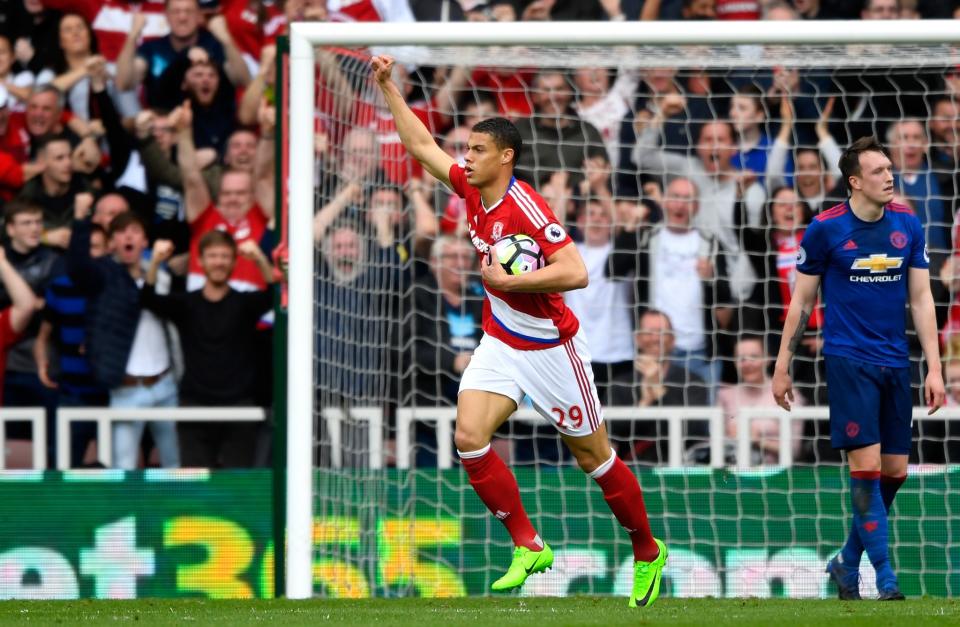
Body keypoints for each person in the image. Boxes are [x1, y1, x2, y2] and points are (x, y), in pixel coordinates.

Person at [372, 53, 668, 608]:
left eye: (478, 149)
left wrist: (508, 283)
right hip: (501, 343)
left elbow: (577, 271)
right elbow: (421, 148)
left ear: (505, 157)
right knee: (468, 439)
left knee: (594, 459)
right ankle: (527, 544)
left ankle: (649, 551)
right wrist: (390, 88)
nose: (466, 156)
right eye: (467, 148)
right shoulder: (471, 190)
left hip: (553, 348)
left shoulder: (526, 204)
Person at [773, 136, 946, 601]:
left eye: (890, 169)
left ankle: (846, 562)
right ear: (854, 181)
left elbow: (922, 298)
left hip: (896, 363)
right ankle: (885, 578)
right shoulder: (826, 229)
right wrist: (781, 366)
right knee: (866, 471)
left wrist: (934, 369)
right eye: (878, 171)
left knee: (895, 473)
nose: (889, 176)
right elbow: (802, 301)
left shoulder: (907, 224)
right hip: (849, 362)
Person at [142, 232, 273, 467]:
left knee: (238, 485)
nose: (219, 262)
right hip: (195, 403)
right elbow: (148, 298)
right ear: (200, 262)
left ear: (234, 262)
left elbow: (276, 294)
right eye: (212, 256)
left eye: (225, 256)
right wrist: (154, 261)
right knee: (195, 488)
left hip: (239, 404)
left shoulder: (245, 304)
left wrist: (260, 258)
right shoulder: (187, 304)